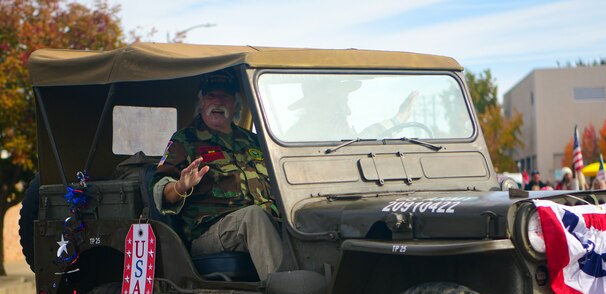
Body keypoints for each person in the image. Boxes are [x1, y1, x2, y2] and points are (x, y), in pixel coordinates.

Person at [152, 70, 283, 281]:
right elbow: (160, 191)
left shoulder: (254, 141)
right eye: (211, 96)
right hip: (209, 232)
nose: (218, 102)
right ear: (202, 102)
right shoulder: (185, 140)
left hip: (265, 223)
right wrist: (180, 186)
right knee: (253, 216)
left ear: (235, 104)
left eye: (225, 96)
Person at [284, 78, 419, 141]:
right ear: (319, 107)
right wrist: (397, 120)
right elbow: (357, 142)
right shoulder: (302, 137)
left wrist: (397, 119)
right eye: (339, 103)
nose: (347, 111)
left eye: (344, 102)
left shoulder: (332, 132)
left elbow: (359, 140)